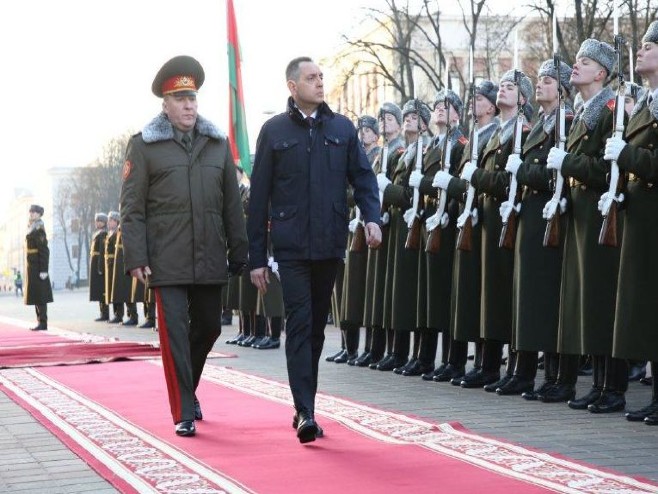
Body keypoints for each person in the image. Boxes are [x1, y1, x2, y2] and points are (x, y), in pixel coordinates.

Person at [248, 56, 381, 444]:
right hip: (290, 248)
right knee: (301, 323)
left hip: (329, 244)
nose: (320, 83)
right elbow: (258, 198)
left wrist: (372, 216)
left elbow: (363, 177)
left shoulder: (341, 127)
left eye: (322, 77)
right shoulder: (273, 131)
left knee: (318, 329)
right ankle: (306, 411)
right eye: (311, 78)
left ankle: (304, 402)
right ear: (293, 86)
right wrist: (257, 258)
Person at [120, 55, 248, 437]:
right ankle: (183, 411)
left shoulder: (217, 145)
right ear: (165, 103)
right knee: (174, 333)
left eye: (192, 97)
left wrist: (240, 250)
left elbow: (230, 204)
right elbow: (132, 207)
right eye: (180, 98)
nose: (189, 104)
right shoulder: (143, 146)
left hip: (209, 255)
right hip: (166, 260)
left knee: (208, 328)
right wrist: (137, 256)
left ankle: (187, 387)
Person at [546, 38, 627, 412]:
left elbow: (606, 170)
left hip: (600, 213)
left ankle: (613, 386)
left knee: (603, 299)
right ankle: (598, 384)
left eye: (585, 61)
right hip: (580, 214)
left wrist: (568, 164)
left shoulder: (612, 109)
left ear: (602, 72)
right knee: (588, 300)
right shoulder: (583, 112)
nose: (575, 66)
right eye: (577, 60)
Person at [604, 21, 658, 423]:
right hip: (640, 214)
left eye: (647, 46)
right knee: (645, 306)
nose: (639, 52)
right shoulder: (644, 104)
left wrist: (626, 156)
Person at [24, 204, 53, 331]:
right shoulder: (32, 228)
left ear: (40, 214)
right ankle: (39, 321)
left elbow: (44, 250)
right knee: (36, 294)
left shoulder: (39, 228)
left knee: (40, 295)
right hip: (32, 265)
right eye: (31, 212)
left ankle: (43, 322)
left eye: (35, 212)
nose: (32, 214)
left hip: (38, 266)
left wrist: (43, 270)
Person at [89, 213, 109, 321]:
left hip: (98, 263)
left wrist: (101, 267)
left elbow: (102, 251)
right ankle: (102, 313)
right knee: (98, 290)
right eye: (96, 221)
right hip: (95, 261)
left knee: (102, 290)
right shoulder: (98, 233)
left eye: (99, 221)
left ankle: (105, 314)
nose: (97, 223)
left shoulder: (103, 233)